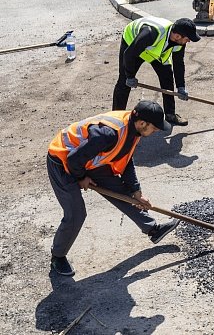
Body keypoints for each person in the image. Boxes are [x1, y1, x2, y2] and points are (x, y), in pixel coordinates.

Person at [47, 100, 179, 276]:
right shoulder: (108, 134)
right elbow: (73, 159)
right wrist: (81, 178)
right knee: (76, 213)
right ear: (142, 123)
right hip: (62, 161)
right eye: (154, 128)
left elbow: (126, 160)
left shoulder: (134, 130)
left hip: (86, 160)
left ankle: (152, 229)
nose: (156, 131)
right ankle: (58, 256)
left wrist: (136, 191)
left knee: (121, 191)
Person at [112, 16, 200, 127]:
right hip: (132, 44)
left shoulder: (180, 42)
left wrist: (181, 87)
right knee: (124, 81)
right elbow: (129, 54)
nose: (189, 41)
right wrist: (129, 76)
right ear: (177, 36)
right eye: (188, 39)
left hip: (154, 52)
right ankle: (116, 119)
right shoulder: (151, 33)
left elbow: (178, 63)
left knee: (167, 77)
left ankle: (170, 115)